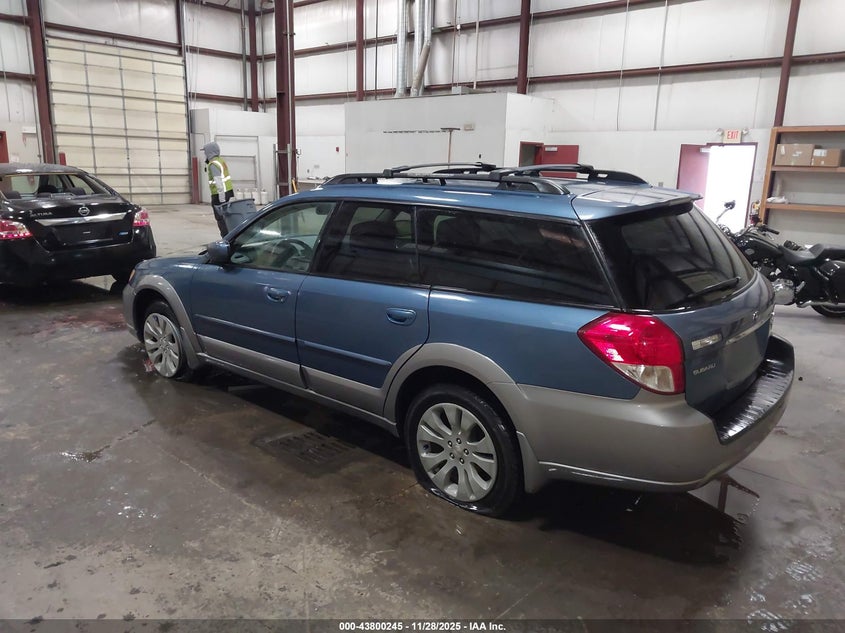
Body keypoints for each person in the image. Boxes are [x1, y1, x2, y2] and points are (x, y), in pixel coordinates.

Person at [202, 141, 234, 237]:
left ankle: (226, 238)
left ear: (210, 152)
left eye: (205, 152)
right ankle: (231, 236)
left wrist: (222, 199)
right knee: (227, 218)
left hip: (219, 195)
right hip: (227, 192)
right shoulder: (220, 161)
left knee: (221, 218)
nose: (205, 154)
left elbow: (218, 181)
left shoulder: (213, 164)